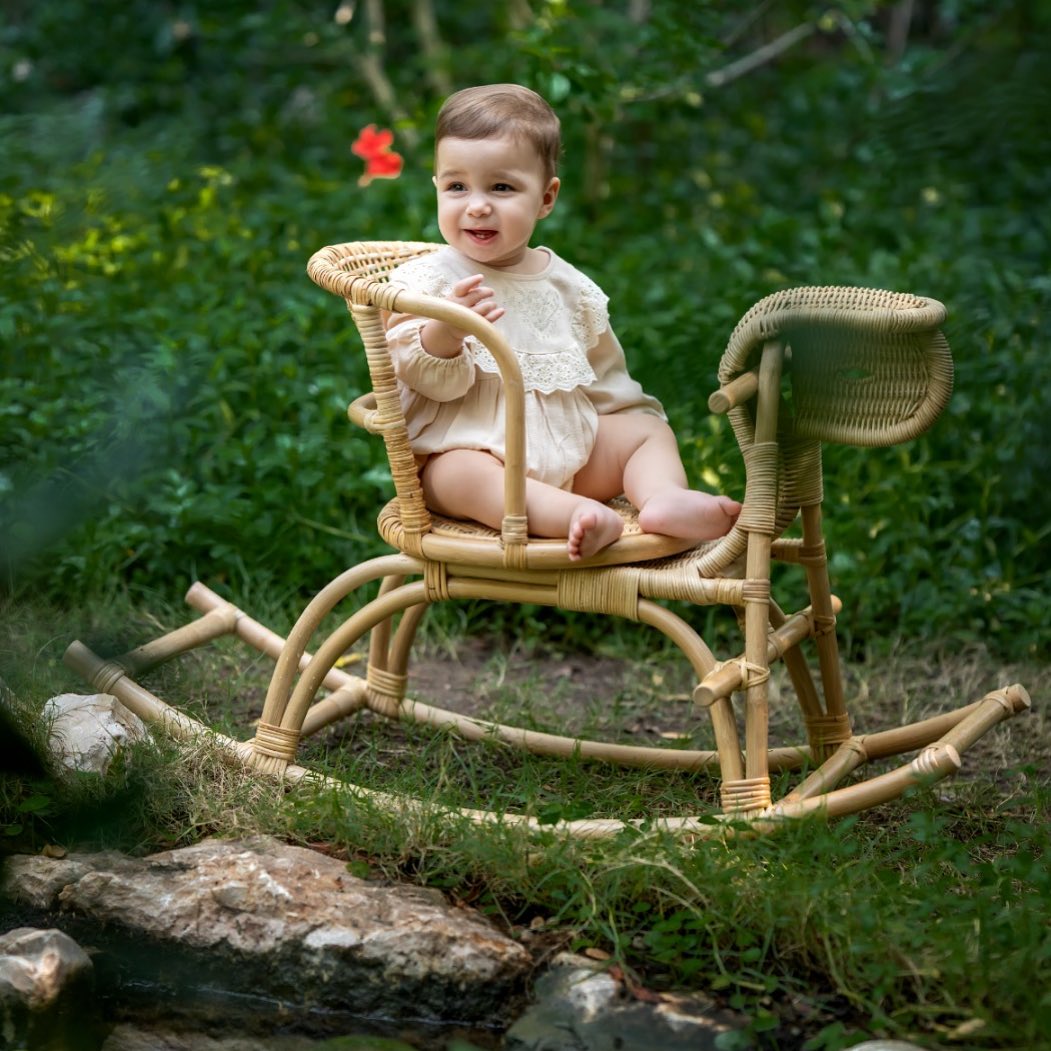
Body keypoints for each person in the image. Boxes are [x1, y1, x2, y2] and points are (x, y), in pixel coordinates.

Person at [384, 83, 741, 561]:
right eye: (456, 186)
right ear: (437, 188)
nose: (477, 205)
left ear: (546, 198)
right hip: (473, 454)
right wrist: (447, 333)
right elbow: (415, 375)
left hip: (567, 449)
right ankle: (574, 516)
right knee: (457, 476)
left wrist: (622, 430)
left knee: (647, 431)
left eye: (502, 187)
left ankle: (661, 498)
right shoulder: (423, 281)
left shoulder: (571, 289)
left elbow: (610, 381)